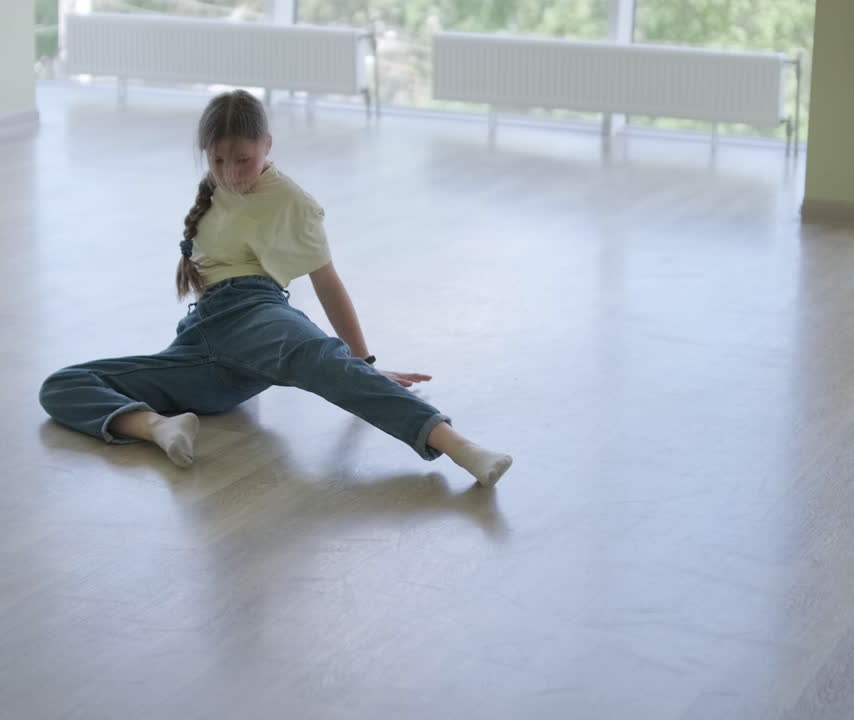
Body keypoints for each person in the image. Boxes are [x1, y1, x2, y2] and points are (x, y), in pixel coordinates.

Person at [39, 90, 512, 487]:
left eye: (243, 160)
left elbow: (327, 281)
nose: (230, 173)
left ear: (267, 144)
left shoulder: (292, 201)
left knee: (320, 358)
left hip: (254, 313)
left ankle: (460, 447)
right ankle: (157, 427)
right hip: (205, 346)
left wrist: (363, 364)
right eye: (218, 160)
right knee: (63, 384)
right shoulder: (216, 186)